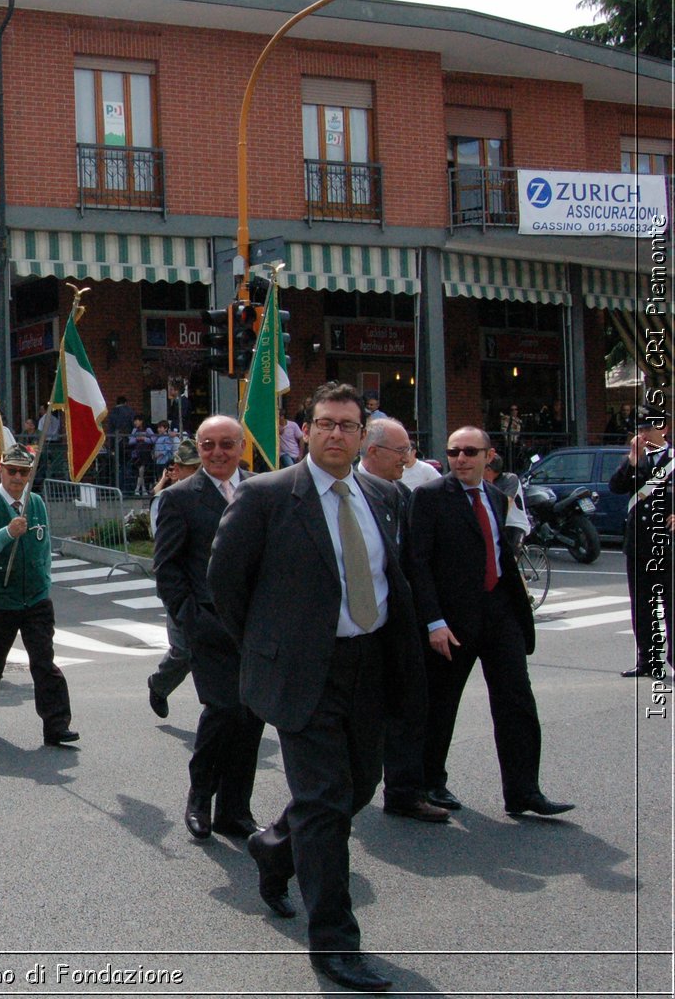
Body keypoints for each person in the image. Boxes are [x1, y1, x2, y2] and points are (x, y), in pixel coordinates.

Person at [208, 382, 419, 994]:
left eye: (347, 425)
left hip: (369, 666)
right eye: (324, 423)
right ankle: (335, 945)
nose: (334, 434)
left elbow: (389, 577)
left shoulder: (384, 496)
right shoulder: (267, 496)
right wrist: (269, 646)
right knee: (327, 804)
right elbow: (227, 583)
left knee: (356, 788)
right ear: (308, 429)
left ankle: (274, 850)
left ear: (362, 436)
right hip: (305, 674)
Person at [407, 425, 572, 820]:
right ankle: (431, 781)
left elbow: (500, 551)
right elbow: (417, 563)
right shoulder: (429, 497)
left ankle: (523, 790)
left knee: (517, 700)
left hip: (500, 613)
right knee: (441, 704)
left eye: (469, 452)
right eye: (453, 452)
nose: (460, 458)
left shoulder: (497, 497)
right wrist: (433, 621)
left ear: (488, 456)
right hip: (453, 619)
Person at [154, 416, 261, 840]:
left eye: (226, 444)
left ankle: (236, 809)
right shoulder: (180, 498)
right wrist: (190, 620)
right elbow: (167, 568)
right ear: (198, 448)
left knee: (252, 719)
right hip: (209, 629)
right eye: (208, 444)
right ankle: (200, 796)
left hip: (256, 631)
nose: (217, 453)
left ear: (241, 447)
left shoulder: (261, 489)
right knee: (221, 713)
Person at [358, 417, 450, 827]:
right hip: (354, 628)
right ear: (374, 452)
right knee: (357, 716)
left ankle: (406, 791)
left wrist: (431, 620)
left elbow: (415, 560)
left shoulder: (400, 495)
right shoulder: (345, 491)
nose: (407, 459)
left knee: (410, 705)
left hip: (399, 621)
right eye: (401, 452)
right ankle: (344, 793)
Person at [0, 444, 78, 746]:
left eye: (23, 471)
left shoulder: (36, 503)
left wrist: (44, 582)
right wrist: (7, 533)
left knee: (44, 662)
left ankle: (56, 725)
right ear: (0, 469)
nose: (16, 476)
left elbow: (44, 546)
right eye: (11, 470)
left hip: (35, 600)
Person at [608, 405, 672, 679]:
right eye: (641, 429)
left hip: (668, 544)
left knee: (671, 603)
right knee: (642, 605)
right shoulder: (636, 460)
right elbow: (616, 487)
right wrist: (632, 462)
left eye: (649, 427)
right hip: (638, 543)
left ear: (665, 428)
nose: (644, 433)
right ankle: (647, 659)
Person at [146, 438, 201, 718]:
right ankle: (159, 684)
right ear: (176, 469)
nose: (196, 472)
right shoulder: (167, 500)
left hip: (208, 584)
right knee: (184, 650)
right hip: (179, 585)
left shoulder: (210, 495)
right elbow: (164, 548)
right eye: (190, 467)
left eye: (198, 466)